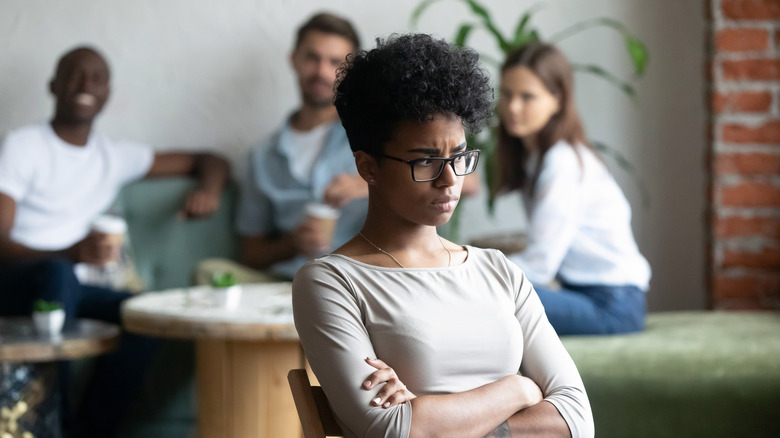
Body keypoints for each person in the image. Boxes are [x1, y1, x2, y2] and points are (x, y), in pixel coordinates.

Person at [293, 34, 593, 438]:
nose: (450, 179)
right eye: (425, 161)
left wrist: (429, 416)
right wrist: (519, 388)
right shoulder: (332, 283)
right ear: (368, 167)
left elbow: (577, 419)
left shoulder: (498, 271)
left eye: (460, 156)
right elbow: (393, 429)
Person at [0, 46, 230, 436]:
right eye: (75, 74)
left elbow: (209, 159)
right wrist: (71, 253)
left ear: (108, 93)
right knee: (60, 274)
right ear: (54, 85)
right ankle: (55, 424)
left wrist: (208, 188)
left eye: (97, 77)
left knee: (144, 312)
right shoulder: (22, 146)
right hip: (18, 282)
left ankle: (91, 429)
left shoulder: (113, 156)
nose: (86, 84)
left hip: (69, 289)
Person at [495, 42, 651, 336]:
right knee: (488, 297)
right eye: (507, 94)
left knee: (489, 298)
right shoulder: (534, 159)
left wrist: (472, 271)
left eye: (527, 97)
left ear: (557, 99)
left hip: (613, 305)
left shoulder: (562, 163)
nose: (513, 107)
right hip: (584, 294)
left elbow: (540, 266)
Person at [226, 12, 368, 282]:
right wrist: (292, 243)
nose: (321, 72)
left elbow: (458, 180)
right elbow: (250, 253)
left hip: (360, 282)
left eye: (335, 62)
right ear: (294, 59)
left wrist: (369, 183)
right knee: (211, 272)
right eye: (312, 58)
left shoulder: (374, 135)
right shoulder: (263, 156)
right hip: (289, 285)